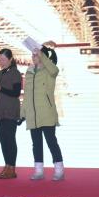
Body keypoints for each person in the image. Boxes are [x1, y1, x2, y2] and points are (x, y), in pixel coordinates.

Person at [22, 40, 64, 181]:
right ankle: (38, 171)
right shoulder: (29, 72)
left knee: (51, 142)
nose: (33, 57)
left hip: (46, 113)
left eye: (36, 54)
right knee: (36, 144)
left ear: (42, 56)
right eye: (32, 54)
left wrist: (42, 54)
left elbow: (55, 70)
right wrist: (23, 112)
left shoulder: (49, 71)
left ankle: (59, 170)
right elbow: (27, 94)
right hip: (33, 114)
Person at [0, 47, 22, 179]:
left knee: (10, 139)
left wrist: (1, 88)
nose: (1, 62)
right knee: (3, 140)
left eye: (3, 59)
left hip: (10, 111)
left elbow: (16, 93)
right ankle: (7, 166)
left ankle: (12, 168)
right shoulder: (0, 73)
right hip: (0, 111)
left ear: (10, 59)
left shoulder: (15, 73)